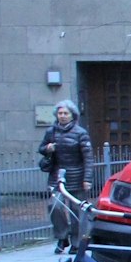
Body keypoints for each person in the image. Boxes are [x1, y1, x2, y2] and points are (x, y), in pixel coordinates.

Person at [39, 100, 92, 252]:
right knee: (54, 206)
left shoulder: (81, 133)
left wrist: (87, 179)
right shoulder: (51, 132)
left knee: (77, 210)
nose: (62, 116)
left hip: (77, 176)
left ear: (72, 115)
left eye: (65, 113)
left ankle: (76, 242)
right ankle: (62, 237)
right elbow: (41, 148)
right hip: (57, 176)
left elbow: (88, 158)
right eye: (60, 113)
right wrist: (47, 148)